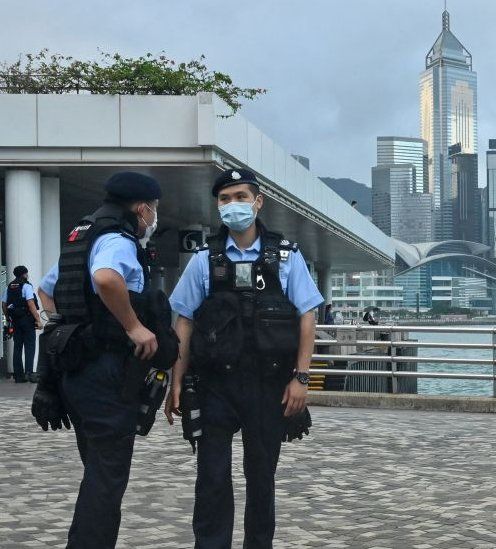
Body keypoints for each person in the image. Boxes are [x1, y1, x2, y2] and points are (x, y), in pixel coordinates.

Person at [165, 168, 322, 549]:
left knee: (261, 478)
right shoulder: (204, 260)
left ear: (258, 201)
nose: (232, 205)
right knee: (212, 479)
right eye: (224, 199)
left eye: (240, 196)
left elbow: (308, 315)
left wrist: (301, 378)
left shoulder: (285, 257)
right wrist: (176, 381)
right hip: (215, 386)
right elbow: (183, 321)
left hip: (269, 386)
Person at [34, 171, 175, 548]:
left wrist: (65, 328)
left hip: (77, 373)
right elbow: (108, 278)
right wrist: (133, 326)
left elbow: (46, 292)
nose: (153, 218)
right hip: (106, 373)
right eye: (154, 210)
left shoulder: (83, 235)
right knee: (107, 479)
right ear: (142, 208)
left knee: (97, 470)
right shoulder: (117, 239)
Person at [3, 265, 42, 382]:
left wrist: (8, 317)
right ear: (24, 274)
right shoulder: (26, 286)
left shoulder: (9, 287)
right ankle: (29, 373)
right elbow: (30, 303)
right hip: (27, 320)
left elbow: (3, 304)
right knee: (30, 346)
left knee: (17, 347)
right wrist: (38, 320)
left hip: (15, 320)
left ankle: (18, 376)